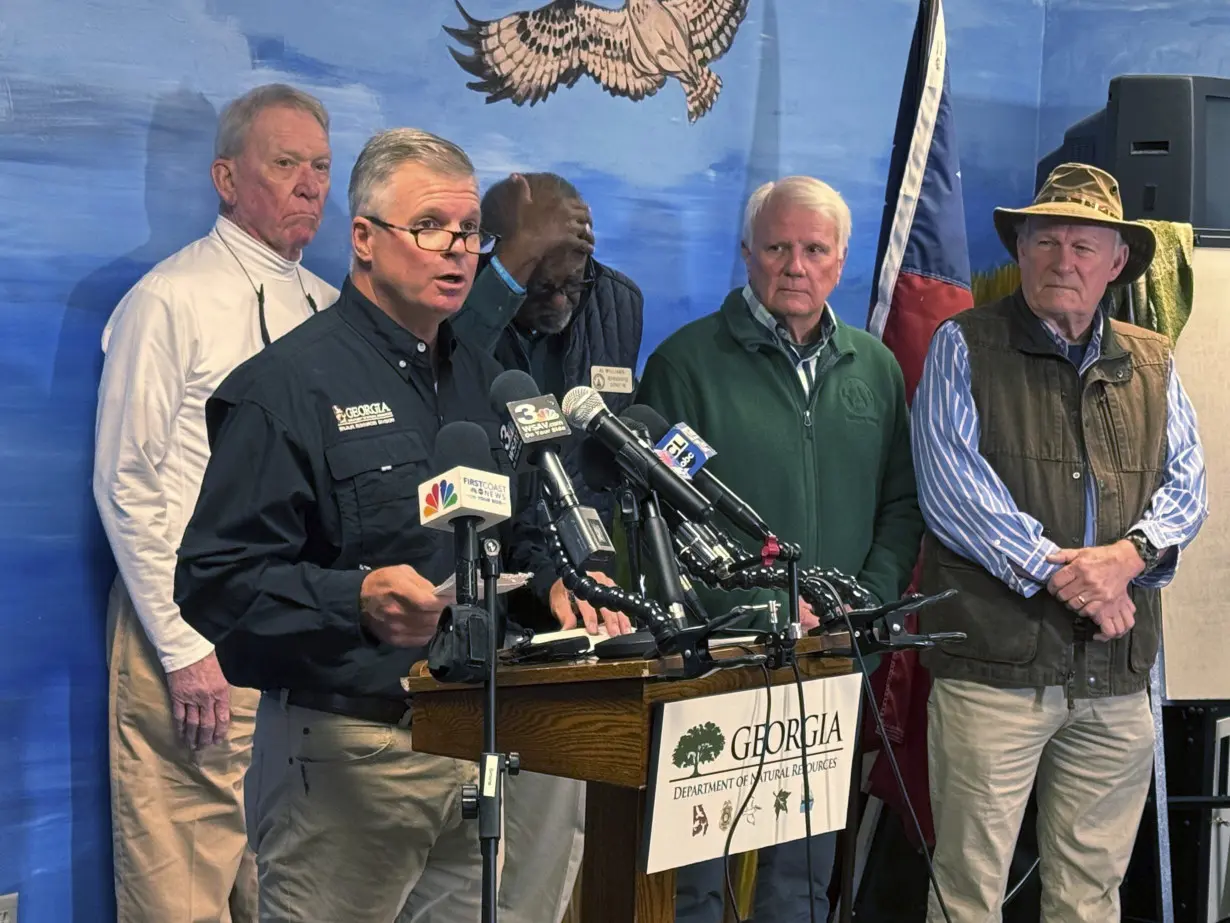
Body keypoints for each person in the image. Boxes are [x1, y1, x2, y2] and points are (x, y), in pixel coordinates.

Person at [173, 127, 596, 923]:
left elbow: (525, 525)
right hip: (355, 759)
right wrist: (355, 599)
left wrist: (560, 580)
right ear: (363, 239)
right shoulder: (287, 387)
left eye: (470, 232)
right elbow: (215, 581)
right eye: (429, 227)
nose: (456, 250)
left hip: (494, 741)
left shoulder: (491, 378)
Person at [911, 162, 1208, 922]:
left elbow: (1188, 487)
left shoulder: (1154, 361)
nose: (1062, 259)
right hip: (994, 672)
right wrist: (1068, 574)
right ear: (1020, 250)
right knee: (966, 890)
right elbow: (952, 490)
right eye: (1045, 239)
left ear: (1117, 263)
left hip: (1115, 679)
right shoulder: (962, 343)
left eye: (1084, 244)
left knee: (1090, 894)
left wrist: (1126, 559)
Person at [636, 175, 923, 923]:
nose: (794, 264)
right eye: (777, 247)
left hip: (828, 663)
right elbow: (655, 523)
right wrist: (753, 607)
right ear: (746, 254)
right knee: (698, 886)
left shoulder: (877, 370)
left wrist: (860, 602)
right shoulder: (684, 364)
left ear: (840, 261)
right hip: (716, 669)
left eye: (814, 249)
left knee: (800, 882)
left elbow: (900, 505)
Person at [92, 83, 335, 923]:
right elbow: (127, 481)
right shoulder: (169, 301)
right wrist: (183, 644)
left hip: (293, 646)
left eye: (322, 167)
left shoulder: (331, 310)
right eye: (286, 163)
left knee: (292, 885)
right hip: (188, 639)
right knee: (181, 890)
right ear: (225, 178)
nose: (310, 185)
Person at [452, 171, 644, 923]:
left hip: (572, 610)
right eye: (541, 279)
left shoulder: (618, 302)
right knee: (459, 868)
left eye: (575, 277)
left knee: (546, 851)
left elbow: (596, 457)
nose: (562, 299)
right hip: (475, 600)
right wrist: (514, 269)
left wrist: (588, 570)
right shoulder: (464, 310)